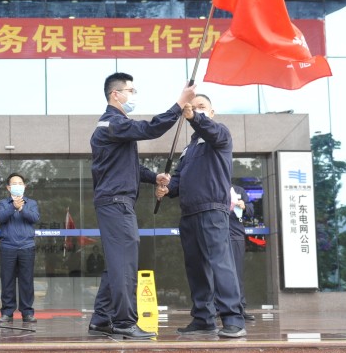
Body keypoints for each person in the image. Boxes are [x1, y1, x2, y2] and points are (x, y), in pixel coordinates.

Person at [89, 72, 196, 339]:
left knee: (116, 263)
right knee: (124, 264)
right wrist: (178, 104)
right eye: (131, 91)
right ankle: (124, 323)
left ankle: (102, 318)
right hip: (116, 204)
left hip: (115, 202)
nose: (133, 96)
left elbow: (129, 167)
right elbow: (150, 129)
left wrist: (153, 177)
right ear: (116, 94)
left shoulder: (113, 128)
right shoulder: (112, 124)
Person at [156, 94, 246, 338]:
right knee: (196, 268)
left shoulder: (219, 134)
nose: (197, 110)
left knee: (220, 263)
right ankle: (203, 319)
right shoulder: (189, 149)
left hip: (212, 209)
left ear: (212, 112)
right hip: (189, 213)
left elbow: (209, 129)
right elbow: (180, 179)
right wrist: (167, 186)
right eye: (193, 107)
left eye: (202, 107)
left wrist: (195, 117)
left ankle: (233, 318)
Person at [0, 172, 40, 322]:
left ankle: (27, 312)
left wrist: (21, 208)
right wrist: (13, 207)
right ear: (8, 188)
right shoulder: (3, 203)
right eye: (14, 184)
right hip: (8, 247)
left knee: (26, 280)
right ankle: (7, 312)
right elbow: (0, 218)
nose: (17, 186)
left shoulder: (31, 203)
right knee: (7, 281)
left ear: (25, 186)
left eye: (20, 183)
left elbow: (34, 218)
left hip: (27, 246)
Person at [229, 185, 256, 322]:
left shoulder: (239, 191)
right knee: (212, 272)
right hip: (215, 235)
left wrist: (244, 206)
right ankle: (215, 308)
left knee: (236, 273)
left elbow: (251, 210)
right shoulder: (212, 188)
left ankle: (240, 308)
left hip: (236, 236)